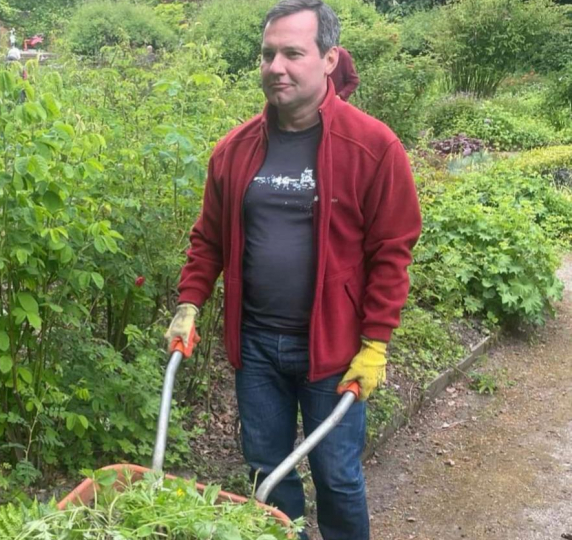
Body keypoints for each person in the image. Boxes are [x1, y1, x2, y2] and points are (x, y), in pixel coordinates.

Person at [163, 1, 421, 538]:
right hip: (256, 346)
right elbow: (208, 238)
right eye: (267, 54)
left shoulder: (373, 147)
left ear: (329, 59)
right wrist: (189, 304)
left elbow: (392, 250)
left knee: (339, 477)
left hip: (334, 349)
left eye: (292, 53)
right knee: (265, 472)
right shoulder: (234, 151)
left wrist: (375, 342)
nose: (275, 66)